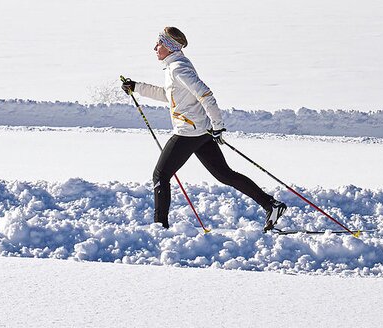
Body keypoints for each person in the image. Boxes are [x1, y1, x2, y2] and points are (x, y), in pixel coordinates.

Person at [121, 26, 287, 231]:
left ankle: (159, 227)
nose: (155, 46)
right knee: (224, 174)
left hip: (189, 132)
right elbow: (169, 96)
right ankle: (271, 205)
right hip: (200, 131)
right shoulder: (175, 66)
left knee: (161, 175)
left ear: (170, 47)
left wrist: (218, 125)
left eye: (160, 43)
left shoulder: (178, 69)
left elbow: (205, 94)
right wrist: (136, 87)